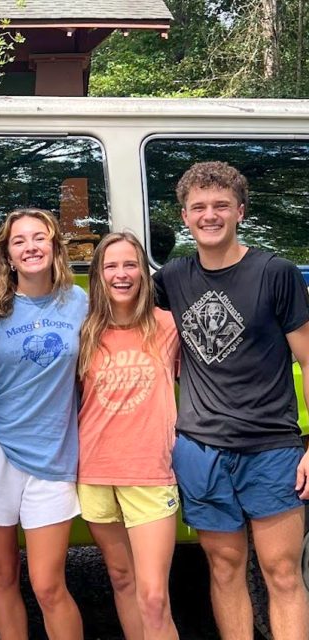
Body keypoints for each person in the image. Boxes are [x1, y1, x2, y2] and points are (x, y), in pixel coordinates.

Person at [154, 161, 309, 640]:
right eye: (199, 207)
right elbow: (108, 304)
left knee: (282, 573)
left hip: (271, 448)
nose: (210, 215)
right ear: (184, 216)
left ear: (240, 210)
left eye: (221, 205)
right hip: (200, 449)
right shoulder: (172, 279)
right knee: (223, 569)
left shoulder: (277, 273)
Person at [0, 208, 85, 640]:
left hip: (53, 456)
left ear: (56, 247)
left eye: (40, 238)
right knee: (1, 575)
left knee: (48, 584)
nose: (31, 247)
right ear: (8, 253)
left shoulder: (81, 303)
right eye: (19, 241)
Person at [77, 232, 180, 640]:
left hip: (151, 475)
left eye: (130, 264)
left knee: (154, 596)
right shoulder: (83, 330)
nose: (121, 274)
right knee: (122, 579)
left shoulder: (168, 326)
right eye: (111, 266)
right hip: (95, 472)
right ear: (98, 275)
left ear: (144, 271)